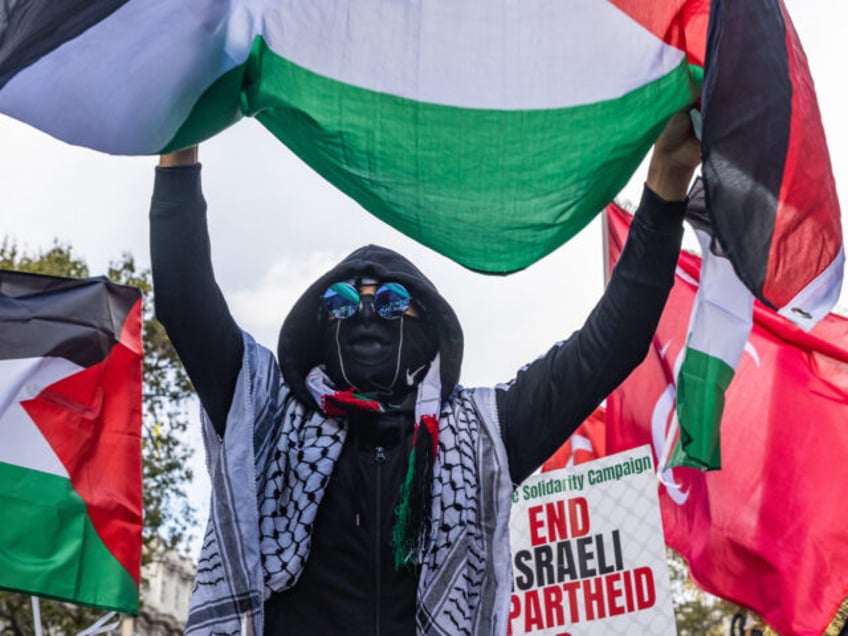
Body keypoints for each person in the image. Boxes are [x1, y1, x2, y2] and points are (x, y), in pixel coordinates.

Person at [150, 111, 700, 635]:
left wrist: (666, 181)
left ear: (426, 328)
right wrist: (180, 139)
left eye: (390, 301)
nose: (365, 313)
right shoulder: (269, 413)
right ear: (319, 328)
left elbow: (611, 345)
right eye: (342, 302)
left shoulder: (485, 433)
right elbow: (183, 299)